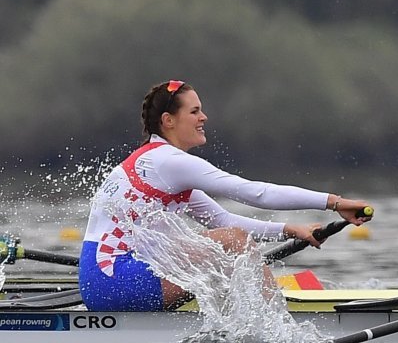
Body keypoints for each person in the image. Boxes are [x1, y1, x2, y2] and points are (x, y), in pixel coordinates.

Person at [79, 80, 372, 311]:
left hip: (101, 282)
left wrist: (289, 230)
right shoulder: (168, 161)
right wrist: (334, 202)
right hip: (115, 276)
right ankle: (279, 320)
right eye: (194, 112)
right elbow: (257, 194)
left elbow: (220, 217)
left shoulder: (155, 165)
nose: (204, 117)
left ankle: (258, 308)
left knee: (231, 254)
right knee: (233, 243)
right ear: (168, 121)